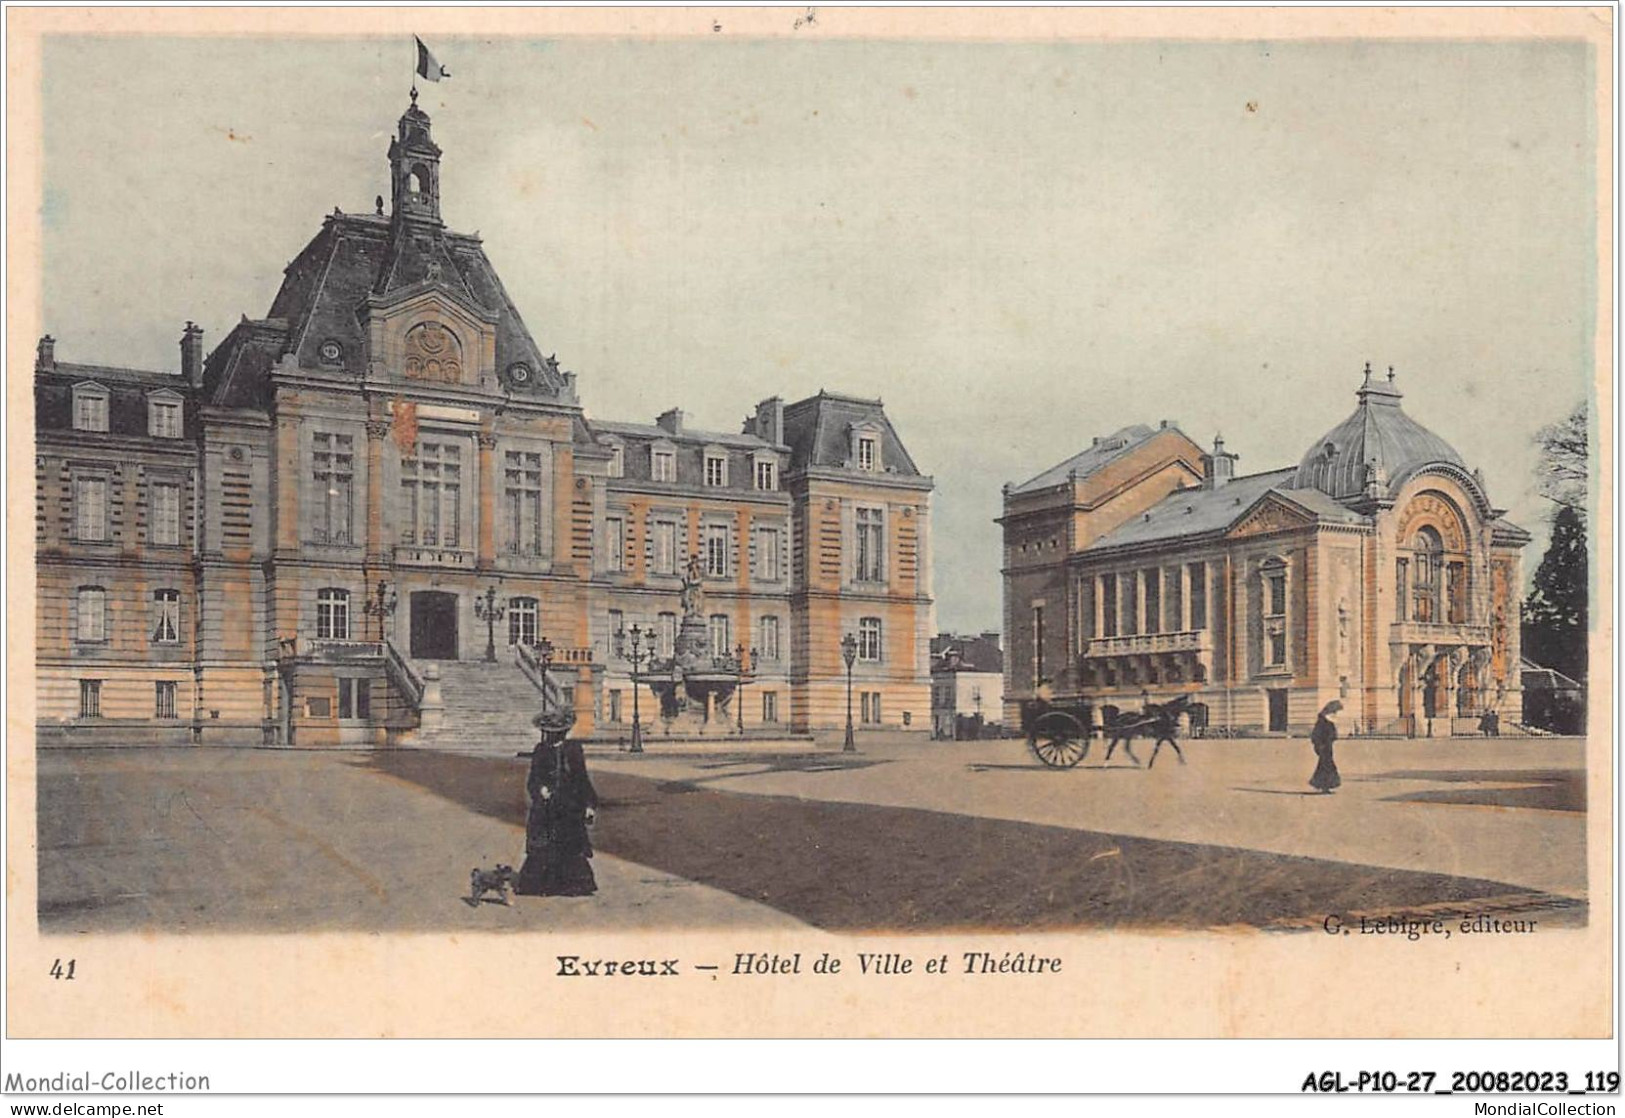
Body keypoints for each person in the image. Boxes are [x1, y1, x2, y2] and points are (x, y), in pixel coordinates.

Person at [514, 705, 600, 897]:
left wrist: (589, 804)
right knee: (544, 845)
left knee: (570, 844)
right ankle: (543, 885)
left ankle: (571, 885)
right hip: (546, 808)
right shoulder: (540, 750)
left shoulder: (574, 750)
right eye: (550, 733)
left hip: (570, 806)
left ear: (564, 732)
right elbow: (533, 779)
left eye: (558, 732)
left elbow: (581, 778)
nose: (553, 736)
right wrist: (539, 789)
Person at [1309, 700, 1343, 794]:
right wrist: (1319, 745)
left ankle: (1324, 785)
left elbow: (1332, 733)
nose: (1336, 713)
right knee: (1326, 766)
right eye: (1335, 711)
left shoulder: (1328, 720)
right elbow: (1316, 734)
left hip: (1328, 746)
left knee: (1325, 766)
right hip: (1323, 746)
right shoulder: (1323, 721)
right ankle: (1324, 785)